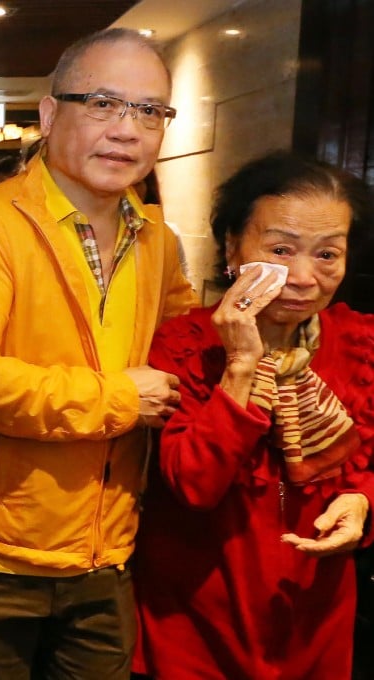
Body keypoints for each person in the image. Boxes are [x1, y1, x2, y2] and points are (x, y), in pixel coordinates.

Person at [0, 28, 195, 679]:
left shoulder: (156, 239)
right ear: (49, 115)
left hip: (109, 545)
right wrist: (120, 398)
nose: (127, 129)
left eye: (149, 111)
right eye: (103, 103)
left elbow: (184, 351)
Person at [135, 151, 374, 680]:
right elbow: (194, 484)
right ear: (231, 247)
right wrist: (242, 366)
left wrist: (362, 499)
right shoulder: (183, 345)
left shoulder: (361, 343)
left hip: (316, 623)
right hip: (194, 625)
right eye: (280, 249)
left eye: (327, 254)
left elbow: (370, 466)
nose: (304, 277)